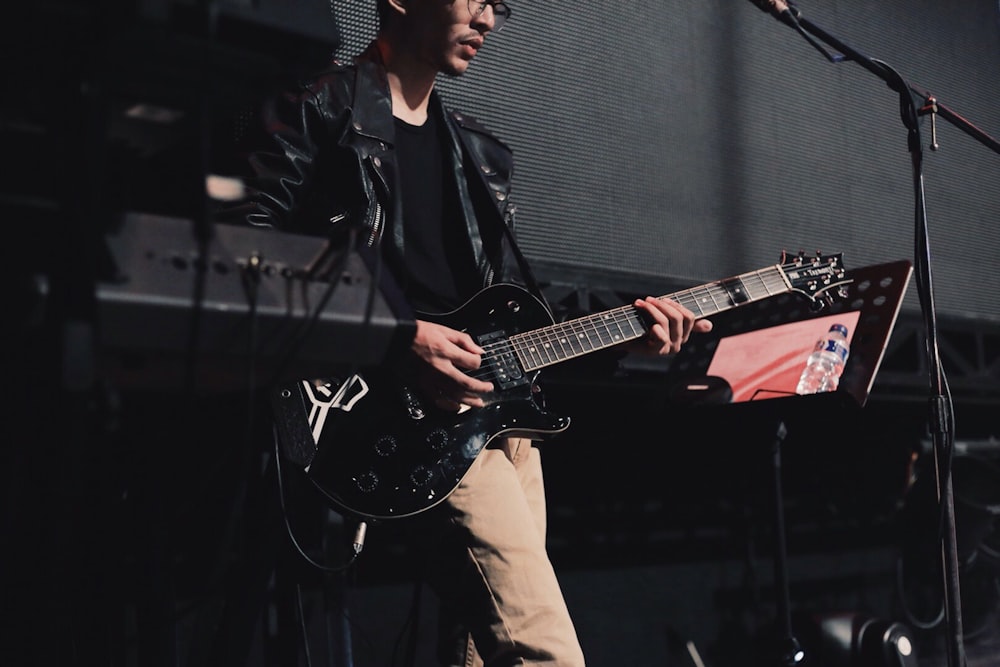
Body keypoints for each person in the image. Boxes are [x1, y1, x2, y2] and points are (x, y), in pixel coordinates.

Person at [219, 0, 713, 664]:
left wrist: (629, 337)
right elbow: (246, 252)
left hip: (499, 427)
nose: (487, 18)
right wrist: (396, 336)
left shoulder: (478, 154)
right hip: (390, 413)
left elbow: (517, 325)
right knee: (547, 654)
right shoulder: (318, 110)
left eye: (500, 7)